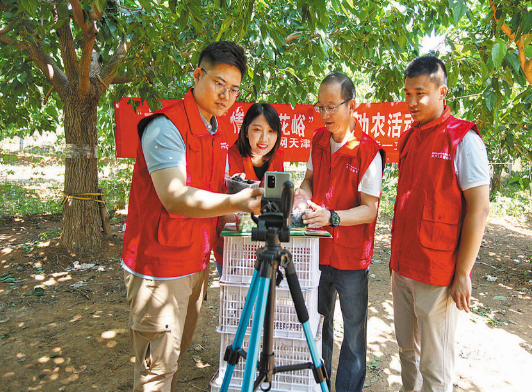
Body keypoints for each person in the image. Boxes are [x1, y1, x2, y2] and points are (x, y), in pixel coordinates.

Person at [121, 41, 263, 391]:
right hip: (160, 270)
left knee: (172, 358)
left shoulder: (216, 130)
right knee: (156, 372)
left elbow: (213, 192)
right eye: (218, 83)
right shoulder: (165, 127)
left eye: (233, 89)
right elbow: (175, 198)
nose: (226, 95)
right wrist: (241, 202)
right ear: (197, 74)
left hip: (194, 264)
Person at [390, 55, 490, 392]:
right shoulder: (409, 138)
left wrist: (463, 273)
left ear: (441, 92)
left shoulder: (463, 139)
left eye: (420, 93)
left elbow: (479, 209)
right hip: (402, 267)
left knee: (435, 365)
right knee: (407, 351)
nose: (412, 102)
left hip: (437, 271)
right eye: (407, 94)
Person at [294, 72, 385, 392]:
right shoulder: (319, 139)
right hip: (317, 252)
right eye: (321, 107)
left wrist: (331, 217)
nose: (326, 115)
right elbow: (308, 179)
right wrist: (303, 194)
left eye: (333, 107)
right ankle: (317, 386)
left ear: (352, 105)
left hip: (349, 257)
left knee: (354, 331)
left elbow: (369, 209)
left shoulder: (368, 151)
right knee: (317, 326)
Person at [214, 103, 284, 275]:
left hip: (266, 248)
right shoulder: (228, 157)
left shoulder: (278, 158)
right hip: (231, 248)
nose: (264, 139)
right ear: (245, 130)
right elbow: (219, 206)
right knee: (236, 300)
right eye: (257, 130)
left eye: (271, 131)